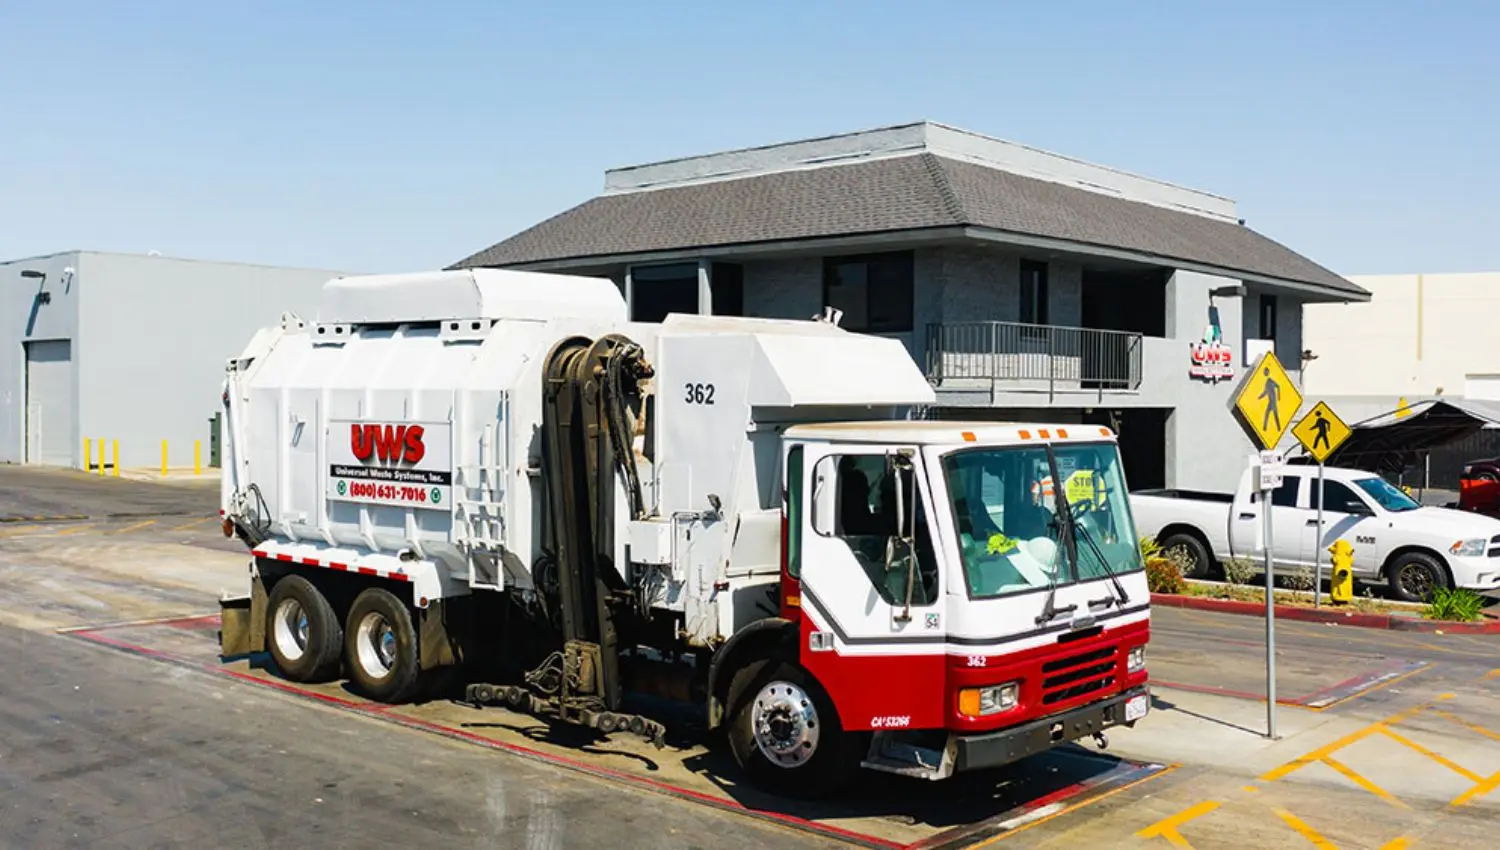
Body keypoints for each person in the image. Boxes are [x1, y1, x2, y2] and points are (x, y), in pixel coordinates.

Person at [1258, 366, 1282, 432]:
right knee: (1268, 414)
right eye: (1264, 371)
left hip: (1273, 402)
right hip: (1270, 402)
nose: (1264, 372)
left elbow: (1278, 386)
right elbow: (1265, 392)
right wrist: (1259, 397)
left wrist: (1279, 396)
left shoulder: (1270, 381)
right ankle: (1265, 428)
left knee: (1275, 416)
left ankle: (1277, 428)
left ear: (1268, 372)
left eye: (1266, 371)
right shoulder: (1266, 383)